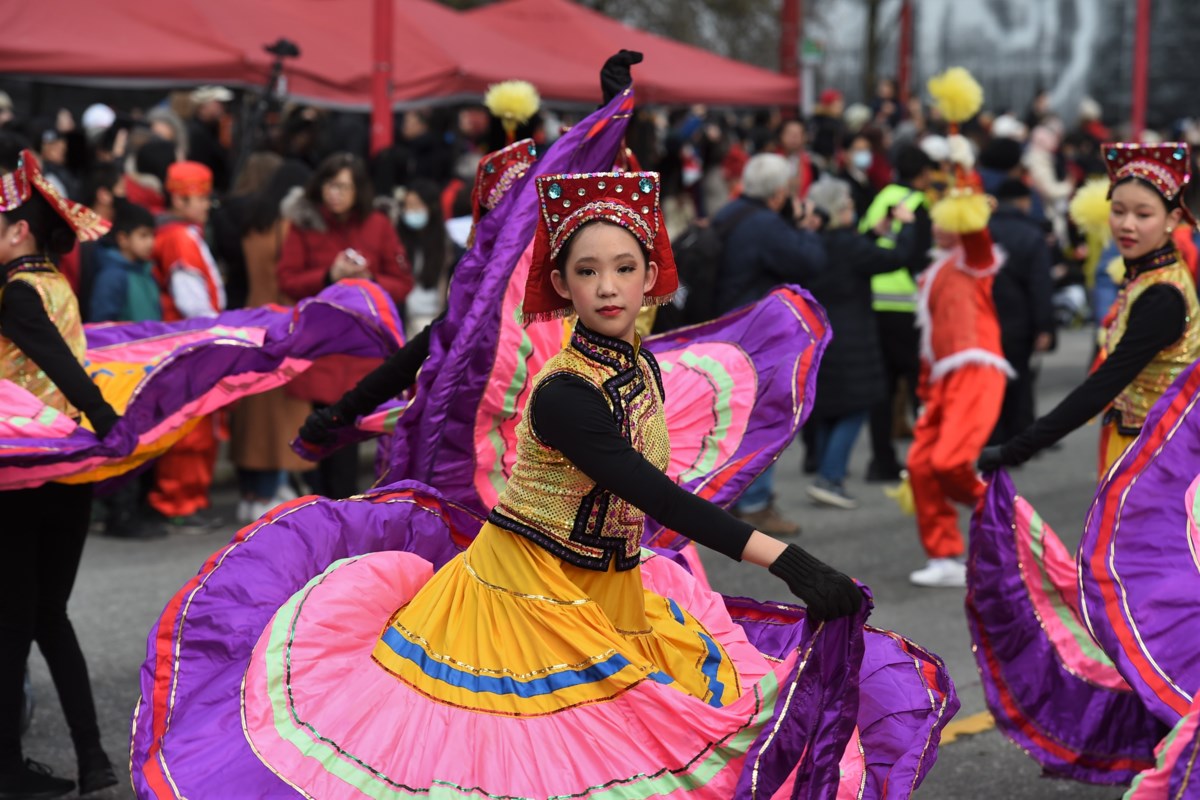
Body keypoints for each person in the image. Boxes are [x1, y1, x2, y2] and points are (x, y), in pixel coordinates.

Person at [243, 170, 864, 795]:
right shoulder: (561, 387)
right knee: (546, 770)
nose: (608, 286)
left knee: (650, 755)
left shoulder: (636, 361)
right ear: (562, 284)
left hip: (609, 583)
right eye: (589, 272)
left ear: (650, 278)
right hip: (522, 592)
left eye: (624, 268)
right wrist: (788, 562)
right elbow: (655, 494)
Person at [0, 150, 119, 798]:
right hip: (71, 473)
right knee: (51, 616)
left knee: (16, 623)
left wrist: (108, 418)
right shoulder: (54, 283)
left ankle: (9, 769)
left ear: (19, 231)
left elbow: (54, 361)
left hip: (21, 477)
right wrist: (105, 430)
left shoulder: (16, 294)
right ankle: (93, 758)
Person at [980, 141, 1200, 476]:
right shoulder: (1149, 272)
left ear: (1172, 218)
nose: (1126, 225)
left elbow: (1101, 387)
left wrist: (1016, 449)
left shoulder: (1162, 296)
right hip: (1138, 444)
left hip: (1155, 460)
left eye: (1143, 215)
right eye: (1118, 210)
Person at [908, 67, 1012, 589]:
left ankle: (1010, 523)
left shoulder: (974, 260)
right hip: (945, 378)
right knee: (922, 464)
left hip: (977, 367)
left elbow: (976, 228)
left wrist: (963, 167)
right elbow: (930, 342)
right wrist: (927, 394)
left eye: (949, 212)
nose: (939, 218)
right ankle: (946, 555)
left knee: (951, 460)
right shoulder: (933, 270)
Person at [276, 152, 413, 498]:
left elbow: (402, 281)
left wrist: (370, 279)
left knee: (350, 434)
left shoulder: (377, 224)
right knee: (320, 433)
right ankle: (319, 506)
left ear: (358, 191)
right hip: (320, 350)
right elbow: (288, 280)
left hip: (363, 352)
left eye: (343, 186)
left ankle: (340, 510)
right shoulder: (304, 222)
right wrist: (329, 276)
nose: (334, 193)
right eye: (329, 184)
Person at [712, 153, 828, 536]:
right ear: (780, 194)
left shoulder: (729, 213)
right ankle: (756, 502)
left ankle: (728, 497)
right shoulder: (765, 224)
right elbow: (810, 261)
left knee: (733, 419)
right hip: (755, 336)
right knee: (765, 417)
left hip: (723, 328)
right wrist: (806, 229)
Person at [804, 178, 917, 509]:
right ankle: (830, 476)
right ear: (839, 209)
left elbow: (855, 256)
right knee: (856, 406)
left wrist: (872, 234)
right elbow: (895, 258)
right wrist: (906, 227)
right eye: (849, 206)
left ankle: (825, 472)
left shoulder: (814, 242)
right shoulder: (848, 246)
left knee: (827, 406)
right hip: (853, 334)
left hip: (821, 332)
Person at [148, 160, 225, 528]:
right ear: (179, 199)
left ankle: (190, 497)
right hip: (191, 342)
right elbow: (191, 298)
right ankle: (179, 500)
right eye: (199, 198)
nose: (205, 205)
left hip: (189, 341)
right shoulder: (179, 237)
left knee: (194, 425)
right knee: (189, 428)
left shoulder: (176, 232)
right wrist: (217, 331)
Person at [857, 144, 935, 481]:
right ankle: (926, 460)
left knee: (882, 389)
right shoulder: (918, 205)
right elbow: (919, 258)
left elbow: (864, 242)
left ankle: (882, 460)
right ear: (924, 173)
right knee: (921, 387)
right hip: (908, 307)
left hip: (875, 303)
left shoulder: (881, 198)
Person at [987, 179, 1056, 443]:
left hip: (986, 319)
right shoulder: (1031, 234)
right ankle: (1019, 436)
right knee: (1020, 379)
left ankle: (992, 434)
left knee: (991, 380)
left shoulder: (984, 231)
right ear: (1023, 201)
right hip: (1020, 322)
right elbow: (1040, 285)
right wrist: (1044, 326)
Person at [396, 178, 450, 336]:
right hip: (403, 318)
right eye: (407, 205)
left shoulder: (446, 245)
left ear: (431, 206)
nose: (410, 211)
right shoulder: (397, 241)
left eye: (416, 205)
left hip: (434, 318)